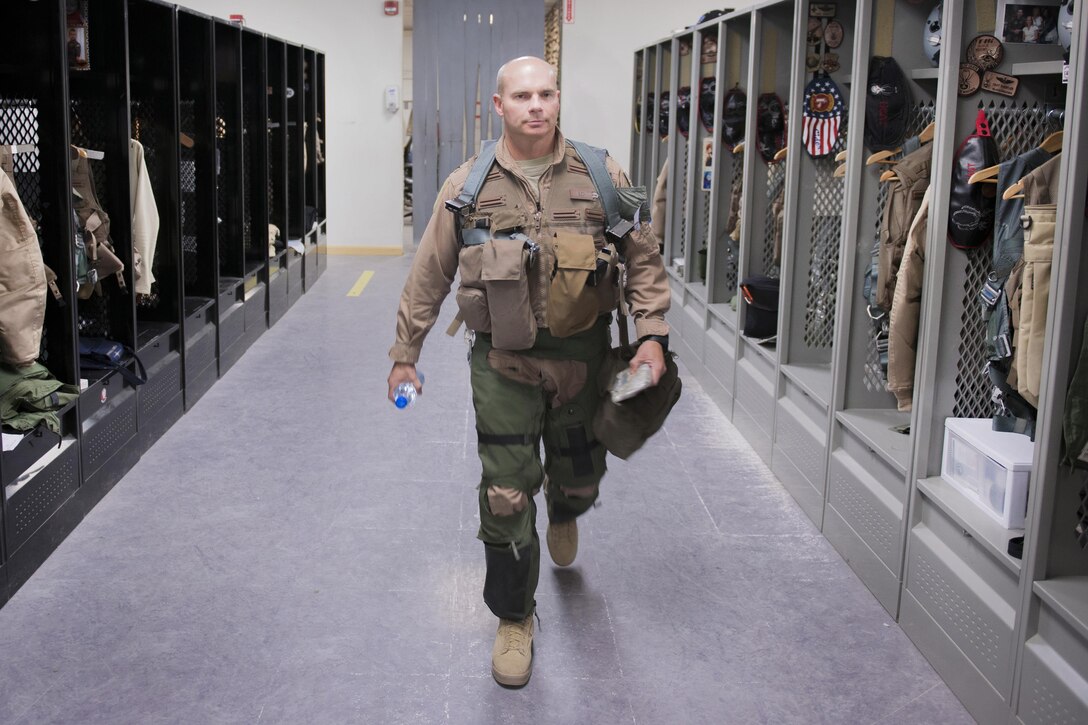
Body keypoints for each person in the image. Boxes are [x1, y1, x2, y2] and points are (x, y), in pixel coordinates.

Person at [386, 56, 670, 687]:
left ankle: (567, 509)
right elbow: (428, 275)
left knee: (579, 474)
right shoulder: (469, 186)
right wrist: (406, 355)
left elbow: (643, 260)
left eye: (545, 94)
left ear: (558, 99)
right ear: (499, 106)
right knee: (507, 486)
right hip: (503, 364)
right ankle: (515, 615)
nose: (535, 106)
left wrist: (651, 337)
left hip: (585, 359)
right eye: (522, 96)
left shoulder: (600, 175)